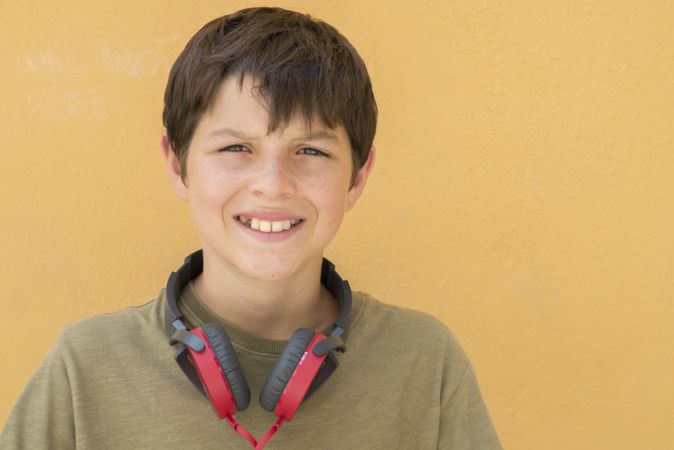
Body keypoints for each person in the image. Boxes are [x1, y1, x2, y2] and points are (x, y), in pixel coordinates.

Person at [0, 7, 502, 449]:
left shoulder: (425, 361)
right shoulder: (83, 368)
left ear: (358, 178)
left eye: (311, 151)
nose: (272, 185)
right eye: (236, 148)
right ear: (178, 166)